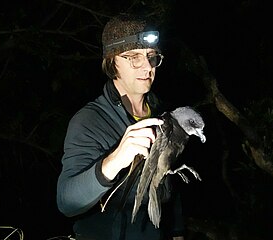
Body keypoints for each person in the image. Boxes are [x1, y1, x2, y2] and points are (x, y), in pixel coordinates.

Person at [56, 13, 185, 240]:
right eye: (134, 57)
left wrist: (177, 232)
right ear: (112, 61)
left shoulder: (163, 116)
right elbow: (67, 203)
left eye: (152, 56)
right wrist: (115, 160)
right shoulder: (89, 121)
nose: (147, 67)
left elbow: (169, 187)